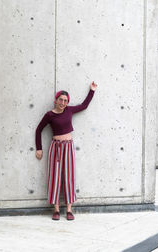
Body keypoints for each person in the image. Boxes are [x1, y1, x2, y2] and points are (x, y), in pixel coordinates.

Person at [35, 81, 97, 221]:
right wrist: (39, 148)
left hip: (68, 147)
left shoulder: (69, 110)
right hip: (55, 148)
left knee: (68, 177)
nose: (63, 103)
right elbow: (38, 130)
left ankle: (69, 210)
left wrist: (92, 91)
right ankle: (56, 209)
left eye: (65, 100)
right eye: (60, 100)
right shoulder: (49, 115)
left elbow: (84, 105)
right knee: (55, 178)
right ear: (55, 100)